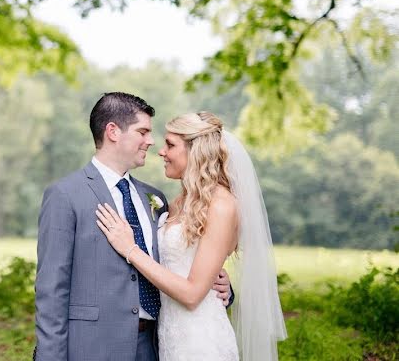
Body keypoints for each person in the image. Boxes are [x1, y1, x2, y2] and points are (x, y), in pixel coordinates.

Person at [34, 93, 232, 361]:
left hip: (155, 345)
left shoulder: (156, 199)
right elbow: (51, 291)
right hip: (92, 347)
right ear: (113, 132)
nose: (151, 142)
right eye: (143, 131)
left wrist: (222, 288)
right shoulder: (65, 195)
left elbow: (183, 261)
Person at [96, 112, 286, 361]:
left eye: (171, 145)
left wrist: (130, 250)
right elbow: (182, 264)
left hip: (201, 341)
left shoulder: (222, 205)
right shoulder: (177, 203)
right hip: (169, 337)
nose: (161, 151)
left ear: (196, 151)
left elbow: (192, 294)